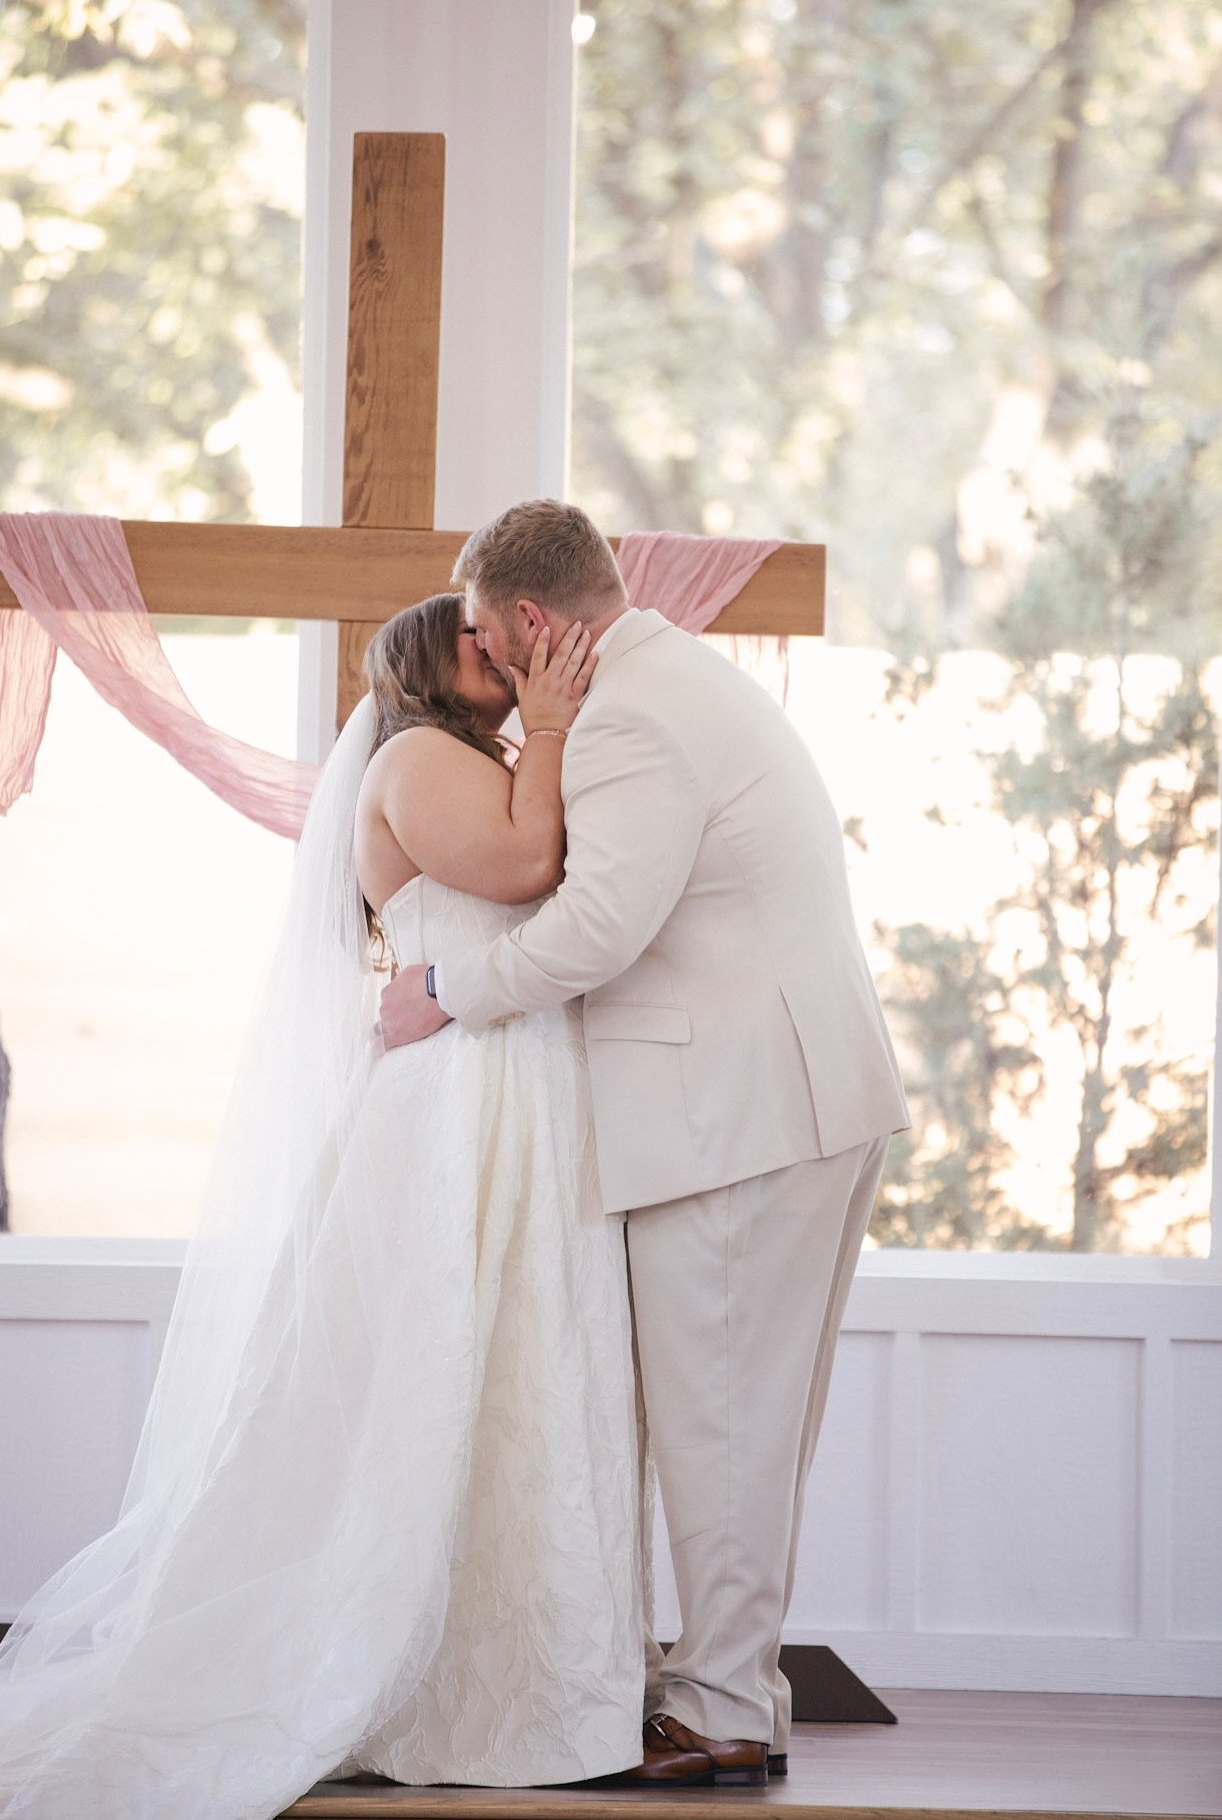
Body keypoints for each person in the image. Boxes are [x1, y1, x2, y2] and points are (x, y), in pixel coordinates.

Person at [0, 592, 647, 1816]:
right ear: (430, 673)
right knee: (433, 1375)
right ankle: (414, 1679)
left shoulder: (472, 754)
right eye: (476, 644)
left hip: (511, 1092)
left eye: (505, 639)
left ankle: (519, 1676)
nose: (501, 654)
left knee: (519, 1378)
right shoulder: (417, 758)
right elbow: (525, 865)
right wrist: (546, 725)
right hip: (459, 1103)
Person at [380, 498, 912, 1789]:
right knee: (745, 1421)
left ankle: (727, 1705)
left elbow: (600, 927)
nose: (485, 663)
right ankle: (727, 1683)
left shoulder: (625, 714)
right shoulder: (677, 676)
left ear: (527, 620)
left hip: (736, 1112)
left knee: (723, 1423)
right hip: (788, 1097)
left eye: (481, 631)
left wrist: (445, 991)